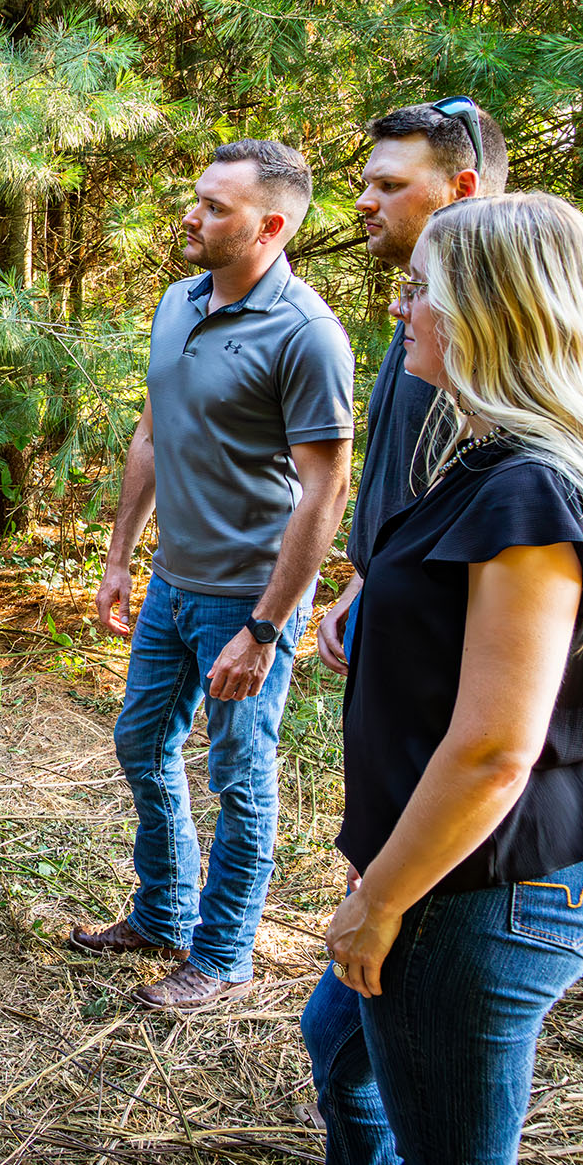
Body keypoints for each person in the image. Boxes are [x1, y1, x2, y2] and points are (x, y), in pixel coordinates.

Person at [301, 193, 583, 1165]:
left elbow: (496, 748)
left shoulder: (527, 491)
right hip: (448, 876)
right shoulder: (483, 467)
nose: (398, 309)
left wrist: (378, 900)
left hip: (482, 898)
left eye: (420, 290)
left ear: (490, 312)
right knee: (337, 1045)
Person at [76, 140, 354, 1009]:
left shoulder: (307, 334)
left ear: (271, 226)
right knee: (141, 740)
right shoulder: (176, 302)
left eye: (217, 208)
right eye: (196, 198)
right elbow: (152, 436)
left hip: (252, 593)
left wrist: (268, 626)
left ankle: (224, 950)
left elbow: (324, 489)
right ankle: (162, 910)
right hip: (172, 581)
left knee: (240, 771)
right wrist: (122, 555)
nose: (192, 216)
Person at [318, 98, 508, 674]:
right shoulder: (420, 317)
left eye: (391, 184)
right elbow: (409, 478)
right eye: (367, 181)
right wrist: (362, 583)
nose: (363, 201)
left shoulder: (489, 334)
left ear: (462, 188)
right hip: (391, 602)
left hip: (442, 636)